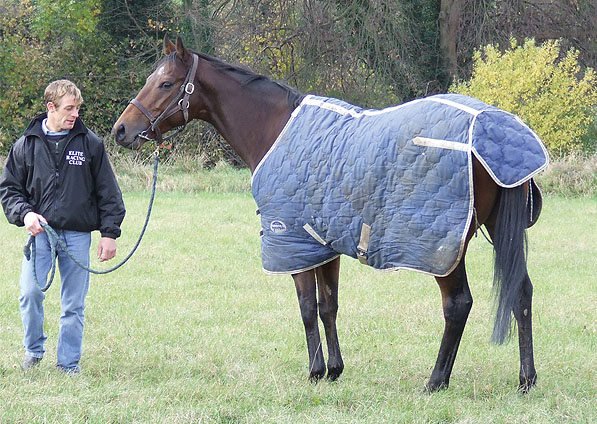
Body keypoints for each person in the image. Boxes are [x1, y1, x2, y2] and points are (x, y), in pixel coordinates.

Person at [0, 79, 125, 374]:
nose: (75, 115)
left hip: (77, 235)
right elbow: (9, 190)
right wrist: (26, 214)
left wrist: (109, 234)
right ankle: (34, 350)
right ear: (50, 108)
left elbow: (109, 192)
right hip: (40, 234)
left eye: (78, 108)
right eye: (69, 108)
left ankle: (68, 365)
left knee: (73, 305)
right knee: (29, 294)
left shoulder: (90, 143)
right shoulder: (26, 145)